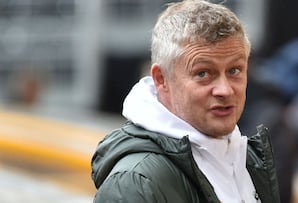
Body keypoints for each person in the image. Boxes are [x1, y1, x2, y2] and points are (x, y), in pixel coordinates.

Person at [91, 1, 280, 202]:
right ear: (161, 79)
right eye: (203, 73)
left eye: (234, 70)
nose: (225, 90)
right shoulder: (135, 184)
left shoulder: (246, 156)